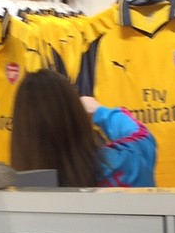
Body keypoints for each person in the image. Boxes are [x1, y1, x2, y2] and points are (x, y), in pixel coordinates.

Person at [10, 71, 158, 188]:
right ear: (77, 116)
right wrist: (98, 111)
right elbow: (142, 136)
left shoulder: (15, 200)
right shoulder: (126, 163)